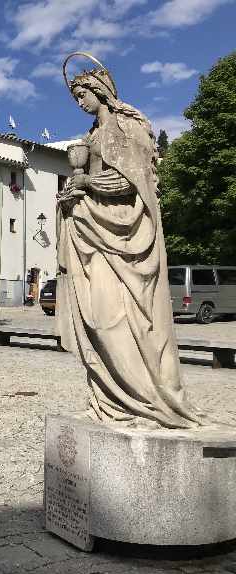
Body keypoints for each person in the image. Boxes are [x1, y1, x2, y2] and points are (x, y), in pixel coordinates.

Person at [56, 54, 202, 428]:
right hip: (95, 228)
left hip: (126, 232)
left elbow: (129, 181)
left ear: (100, 91)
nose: (80, 103)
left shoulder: (125, 128)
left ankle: (145, 398)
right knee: (97, 316)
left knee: (114, 318)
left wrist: (87, 183)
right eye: (75, 98)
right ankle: (113, 397)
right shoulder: (91, 136)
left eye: (82, 95)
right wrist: (73, 192)